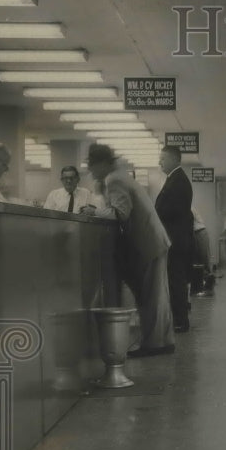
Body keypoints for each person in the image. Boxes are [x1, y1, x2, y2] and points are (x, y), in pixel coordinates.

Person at [82, 144, 174, 357]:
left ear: (103, 163)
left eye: (93, 166)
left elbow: (120, 213)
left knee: (150, 297)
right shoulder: (120, 176)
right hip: (153, 240)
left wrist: (94, 212)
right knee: (156, 296)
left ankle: (155, 345)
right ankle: (162, 341)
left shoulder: (114, 179)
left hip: (148, 242)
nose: (91, 171)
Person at [155, 145, 193, 333]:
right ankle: (179, 317)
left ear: (174, 159)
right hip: (176, 239)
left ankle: (180, 320)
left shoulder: (178, 181)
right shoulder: (175, 179)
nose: (159, 162)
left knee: (176, 280)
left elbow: (169, 211)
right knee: (175, 280)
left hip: (174, 240)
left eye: (163, 158)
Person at [191, 209, 214, 297]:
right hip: (196, 233)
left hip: (199, 232)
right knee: (198, 262)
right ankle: (202, 288)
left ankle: (209, 289)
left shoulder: (188, 207)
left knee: (204, 261)